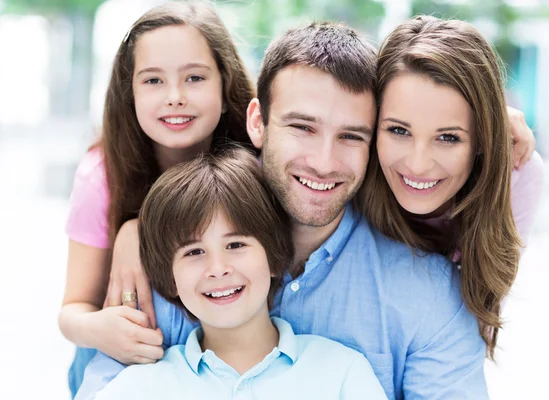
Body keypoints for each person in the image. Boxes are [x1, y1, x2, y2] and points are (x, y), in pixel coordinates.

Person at [78, 20, 493, 400]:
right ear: (257, 122)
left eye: (351, 136)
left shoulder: (425, 297)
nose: (324, 161)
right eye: (302, 127)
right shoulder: (171, 262)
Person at [58, 2, 256, 396]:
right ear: (129, 92)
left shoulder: (255, 161)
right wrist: (102, 329)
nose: (175, 97)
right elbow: (71, 312)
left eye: (195, 77)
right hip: (121, 369)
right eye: (153, 81)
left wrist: (140, 230)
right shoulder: (103, 175)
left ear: (224, 82)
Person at [93, 147, 387, 399]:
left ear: (274, 258)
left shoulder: (342, 374)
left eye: (235, 244)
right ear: (169, 279)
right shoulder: (137, 389)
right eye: (194, 252)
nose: (218, 269)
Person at [358, 15, 545, 359]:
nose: (417, 163)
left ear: (481, 140)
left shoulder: (517, 173)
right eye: (399, 131)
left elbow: (470, 335)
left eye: (447, 137)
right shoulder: (349, 160)